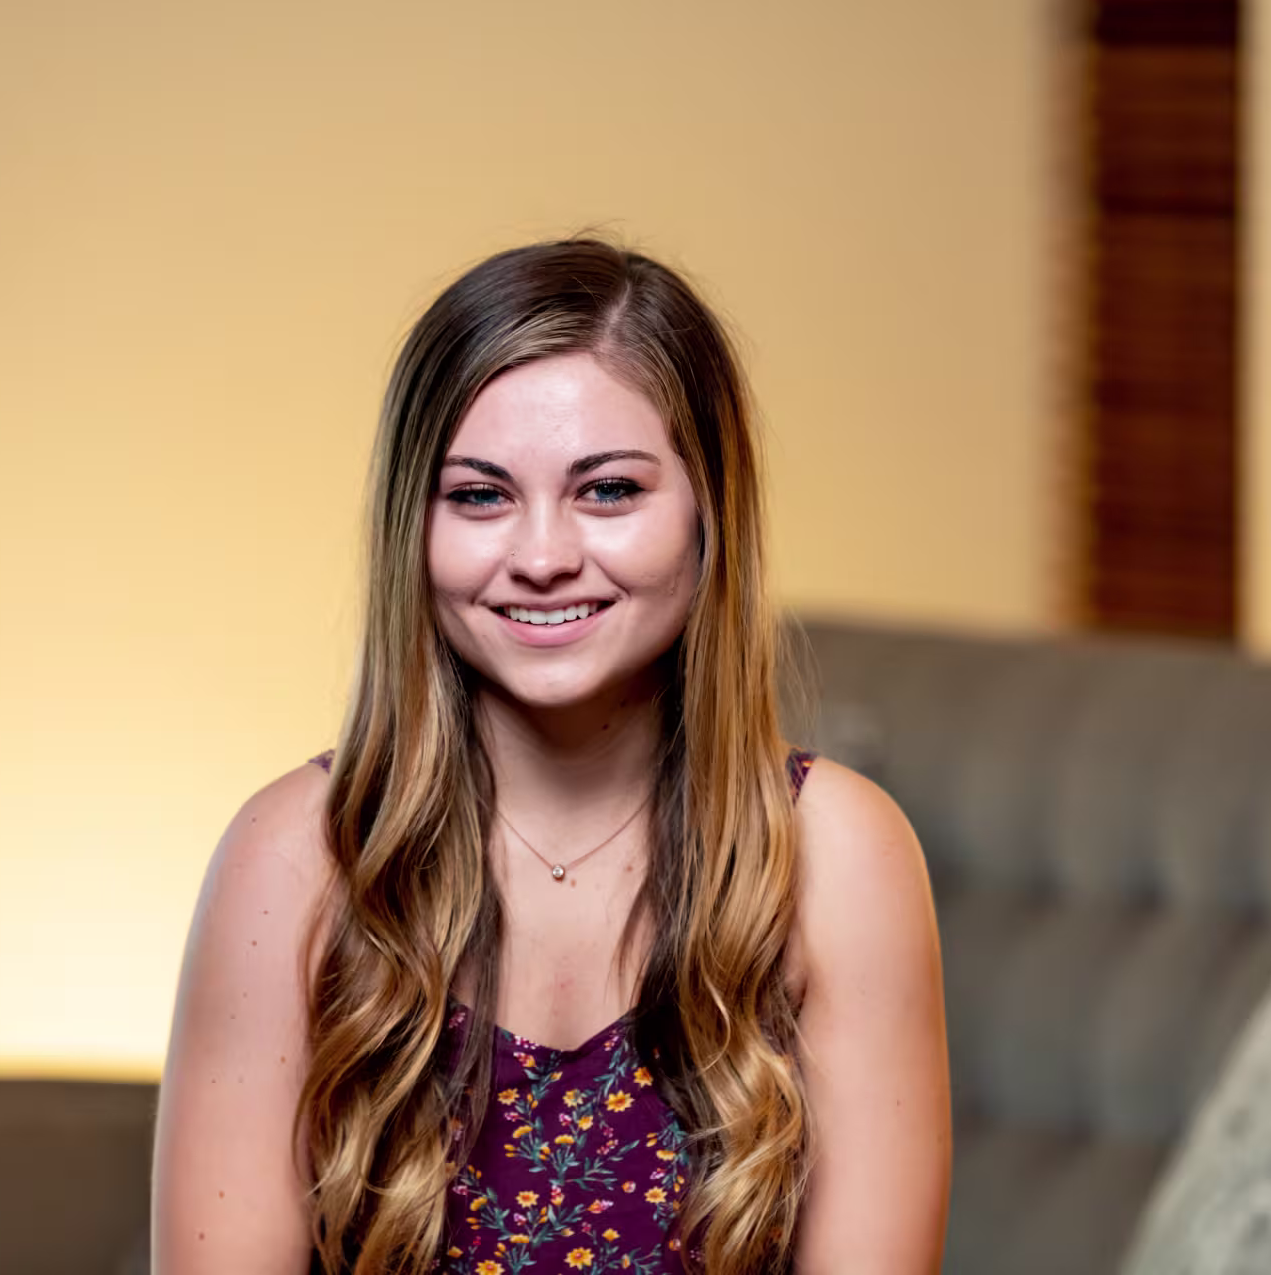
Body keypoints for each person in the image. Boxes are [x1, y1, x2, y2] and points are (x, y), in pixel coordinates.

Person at [152, 237, 951, 1274]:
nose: (541, 557)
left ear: (709, 512)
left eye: (608, 490)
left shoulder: (837, 854)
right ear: (411, 529)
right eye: (479, 496)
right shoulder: (295, 856)